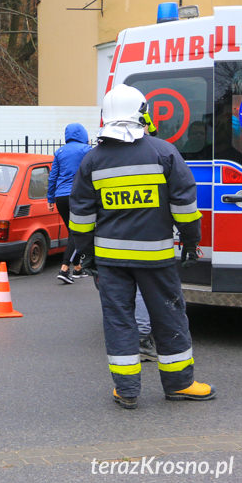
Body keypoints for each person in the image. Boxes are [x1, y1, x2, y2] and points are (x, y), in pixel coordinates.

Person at [69, 84, 214, 409]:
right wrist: (191, 242)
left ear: (107, 117)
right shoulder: (164, 153)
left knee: (119, 321)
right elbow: (185, 207)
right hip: (156, 258)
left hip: (111, 262)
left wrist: (87, 254)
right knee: (169, 318)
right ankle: (180, 384)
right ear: (142, 114)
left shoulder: (92, 161)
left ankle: (127, 391)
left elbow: (80, 218)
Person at [47, 122, 91, 284]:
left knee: (73, 231)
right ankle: (65, 268)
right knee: (77, 233)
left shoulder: (60, 152)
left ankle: (78, 268)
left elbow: (52, 177)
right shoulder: (87, 150)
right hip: (78, 196)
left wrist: (50, 198)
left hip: (61, 198)